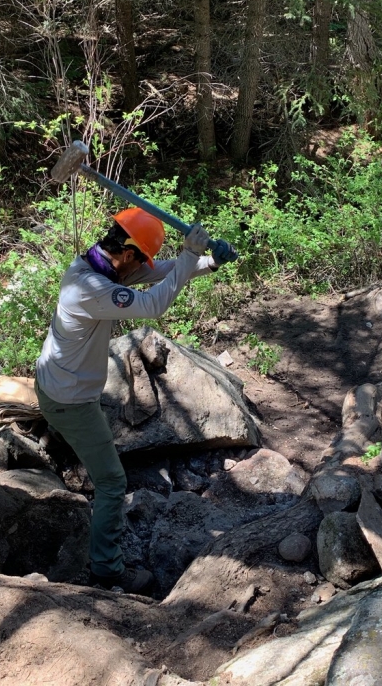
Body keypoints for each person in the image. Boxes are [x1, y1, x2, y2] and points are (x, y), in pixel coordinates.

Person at [34, 207, 235, 593]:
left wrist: (208, 261)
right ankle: (106, 571)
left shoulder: (101, 264)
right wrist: (190, 254)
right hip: (69, 400)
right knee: (111, 482)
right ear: (126, 254)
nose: (144, 264)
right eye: (140, 257)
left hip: (61, 385)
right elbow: (153, 305)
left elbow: (161, 273)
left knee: (103, 462)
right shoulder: (90, 288)